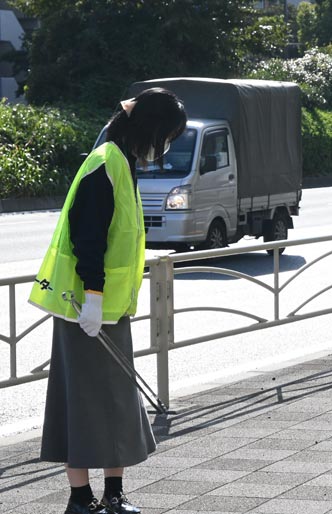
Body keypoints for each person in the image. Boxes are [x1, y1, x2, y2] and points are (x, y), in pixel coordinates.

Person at [29, 88, 187, 514]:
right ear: (150, 127)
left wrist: (105, 302)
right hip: (84, 307)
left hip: (109, 308)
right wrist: (94, 298)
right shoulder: (104, 164)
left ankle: (114, 494)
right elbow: (88, 240)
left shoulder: (122, 161)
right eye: (167, 134)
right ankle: (81, 498)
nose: (166, 144)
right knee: (80, 401)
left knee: (117, 397)